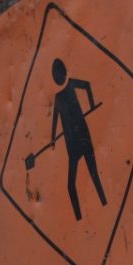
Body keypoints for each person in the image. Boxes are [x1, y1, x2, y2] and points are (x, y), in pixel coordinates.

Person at [49, 58, 108, 222]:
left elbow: (87, 85)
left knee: (91, 175)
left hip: (80, 139)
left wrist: (92, 105)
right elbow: (54, 121)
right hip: (75, 143)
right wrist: (53, 139)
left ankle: (100, 205)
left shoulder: (66, 89)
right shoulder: (59, 96)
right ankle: (81, 218)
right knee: (76, 183)